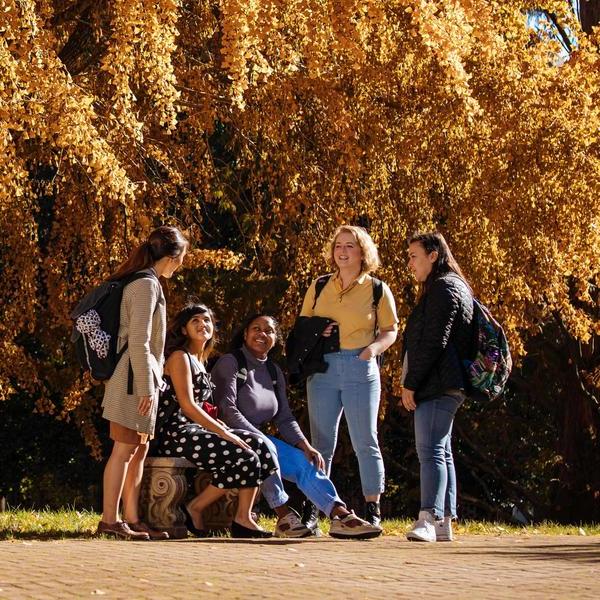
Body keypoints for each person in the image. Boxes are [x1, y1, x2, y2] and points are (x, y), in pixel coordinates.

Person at [211, 314, 383, 539]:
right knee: (266, 448)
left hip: (258, 439)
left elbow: (284, 417)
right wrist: (258, 438)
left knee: (305, 461)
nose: (262, 334)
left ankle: (340, 515)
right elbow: (226, 408)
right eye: (256, 328)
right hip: (228, 434)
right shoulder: (231, 362)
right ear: (245, 334)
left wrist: (305, 445)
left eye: (269, 330)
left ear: (275, 338)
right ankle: (283, 515)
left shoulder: (273, 372)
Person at [298, 225, 398, 526]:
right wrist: (318, 332)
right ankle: (315, 510)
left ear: (362, 252)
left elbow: (390, 330)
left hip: (360, 366)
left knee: (365, 440)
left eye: (349, 246)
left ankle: (372, 510)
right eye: (338, 246)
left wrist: (371, 351)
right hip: (323, 369)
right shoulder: (318, 285)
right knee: (321, 442)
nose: (342, 251)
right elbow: (303, 326)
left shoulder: (378, 288)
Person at [154, 303, 277, 539]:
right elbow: (188, 406)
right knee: (246, 455)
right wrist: (225, 433)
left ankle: (243, 518)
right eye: (195, 321)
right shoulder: (180, 358)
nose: (203, 325)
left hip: (196, 430)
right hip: (176, 434)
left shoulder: (202, 359)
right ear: (183, 330)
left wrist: (224, 429)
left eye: (207, 320)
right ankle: (198, 508)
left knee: (261, 446)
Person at [97, 225, 188, 540]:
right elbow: (138, 341)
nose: (181, 264)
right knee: (123, 449)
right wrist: (147, 387)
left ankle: (131, 519)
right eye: (182, 258)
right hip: (132, 379)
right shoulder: (145, 285)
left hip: (142, 377)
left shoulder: (149, 283)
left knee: (137, 449)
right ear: (173, 256)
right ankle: (110, 521)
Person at [400, 232, 474, 543]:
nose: (410, 263)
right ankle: (444, 520)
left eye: (414, 256)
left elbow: (433, 342)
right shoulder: (451, 286)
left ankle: (427, 518)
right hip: (448, 382)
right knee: (441, 450)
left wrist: (411, 383)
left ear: (433, 255)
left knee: (429, 450)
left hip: (438, 383)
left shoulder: (444, 289)